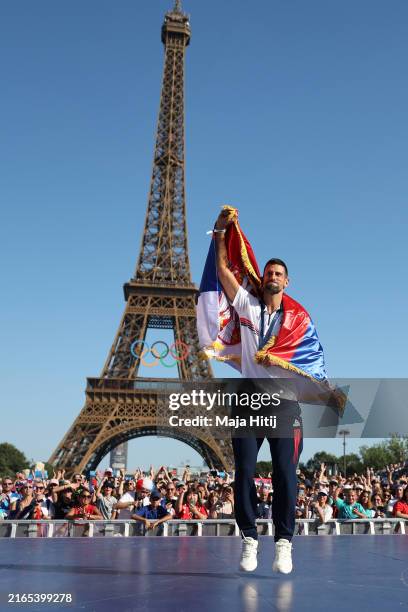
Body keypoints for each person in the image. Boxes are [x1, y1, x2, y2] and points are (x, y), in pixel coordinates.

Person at [214, 209, 304, 574]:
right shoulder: (247, 304)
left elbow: (312, 358)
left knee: (285, 473)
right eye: (268, 272)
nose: (273, 277)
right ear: (261, 277)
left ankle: (284, 541)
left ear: (287, 281)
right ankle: (250, 537)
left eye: (279, 274)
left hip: (283, 403)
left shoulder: (298, 318)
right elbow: (222, 272)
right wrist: (220, 233)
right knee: (244, 472)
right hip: (249, 400)